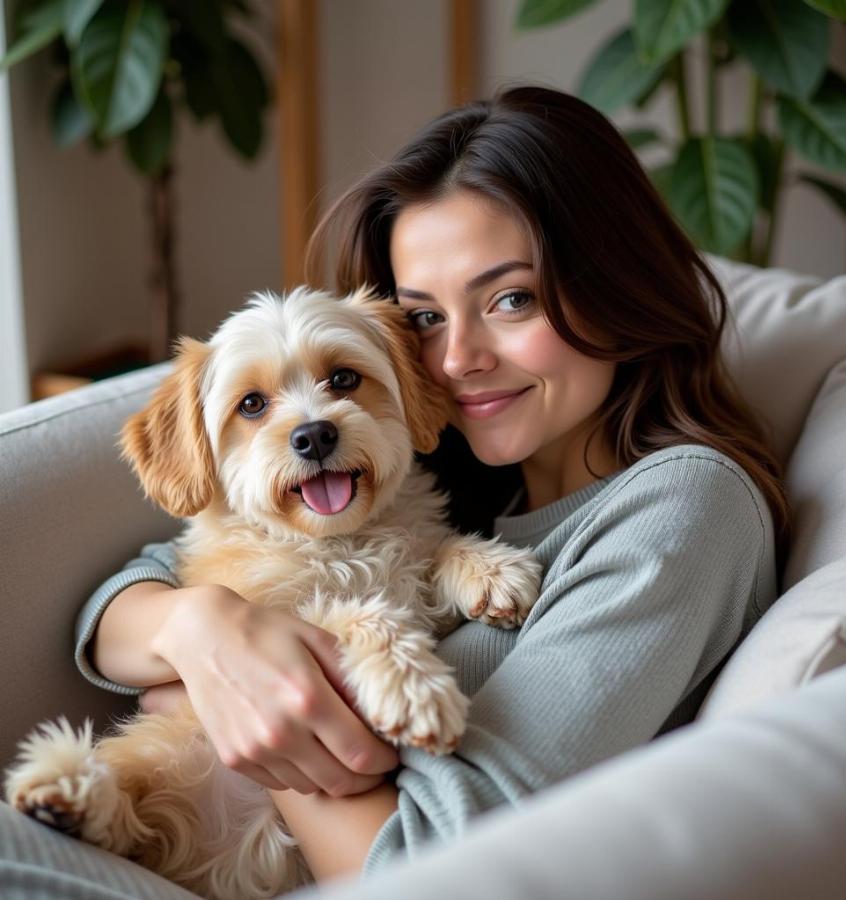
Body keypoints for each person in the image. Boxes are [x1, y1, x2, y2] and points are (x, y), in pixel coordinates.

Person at [59, 83, 787, 891]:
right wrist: (205, 632)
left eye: (512, 299)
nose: (451, 361)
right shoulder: (431, 471)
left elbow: (437, 871)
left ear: (615, 286)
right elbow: (126, 601)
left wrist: (255, 724)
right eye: (426, 319)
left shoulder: (683, 512)